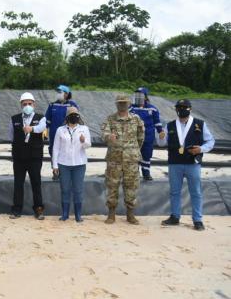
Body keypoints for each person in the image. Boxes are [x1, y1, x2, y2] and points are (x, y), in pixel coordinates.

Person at [157, 99, 215, 231]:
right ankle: (175, 217)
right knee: (174, 192)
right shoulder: (170, 125)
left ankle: (197, 220)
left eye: (185, 107)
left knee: (196, 192)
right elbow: (161, 143)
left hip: (192, 163)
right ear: (176, 109)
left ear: (190, 109)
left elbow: (210, 141)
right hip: (174, 162)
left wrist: (200, 149)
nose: (182, 109)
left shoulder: (200, 124)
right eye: (179, 107)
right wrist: (160, 137)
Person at [101, 95, 145, 225]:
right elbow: (103, 134)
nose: (122, 105)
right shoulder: (110, 119)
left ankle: (130, 214)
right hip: (114, 160)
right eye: (120, 103)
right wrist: (109, 137)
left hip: (131, 160)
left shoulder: (136, 119)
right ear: (116, 104)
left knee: (131, 186)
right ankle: (111, 214)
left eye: (124, 103)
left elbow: (141, 138)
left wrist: (133, 150)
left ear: (129, 104)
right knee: (112, 185)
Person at [8, 92, 47, 219]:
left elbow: (41, 128)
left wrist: (31, 129)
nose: (27, 106)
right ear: (21, 105)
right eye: (24, 104)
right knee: (18, 184)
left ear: (34, 104)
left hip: (35, 157)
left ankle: (39, 209)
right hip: (19, 157)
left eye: (30, 103)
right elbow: (11, 136)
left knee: (36, 183)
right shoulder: (14, 119)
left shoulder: (41, 118)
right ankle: (16, 209)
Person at [52, 107, 91, 222]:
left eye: (76, 114)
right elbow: (56, 148)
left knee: (78, 189)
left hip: (79, 163)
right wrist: (55, 165)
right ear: (67, 117)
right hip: (64, 164)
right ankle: (65, 214)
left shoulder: (84, 129)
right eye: (72, 114)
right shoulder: (60, 130)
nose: (74, 116)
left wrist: (84, 141)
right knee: (65, 189)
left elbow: (88, 145)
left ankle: (78, 215)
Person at [130, 87, 163, 181]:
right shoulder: (131, 108)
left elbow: (157, 122)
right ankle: (134, 174)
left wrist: (160, 131)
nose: (138, 97)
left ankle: (146, 173)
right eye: (136, 95)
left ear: (145, 97)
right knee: (134, 155)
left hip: (148, 136)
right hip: (134, 137)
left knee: (146, 155)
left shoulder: (152, 109)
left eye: (140, 95)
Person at [46, 85, 79, 180]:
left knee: (68, 150)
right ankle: (55, 171)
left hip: (68, 134)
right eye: (58, 92)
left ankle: (67, 173)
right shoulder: (52, 105)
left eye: (60, 92)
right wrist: (45, 130)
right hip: (54, 134)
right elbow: (47, 120)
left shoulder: (72, 105)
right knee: (53, 151)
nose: (58, 94)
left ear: (66, 94)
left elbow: (76, 119)